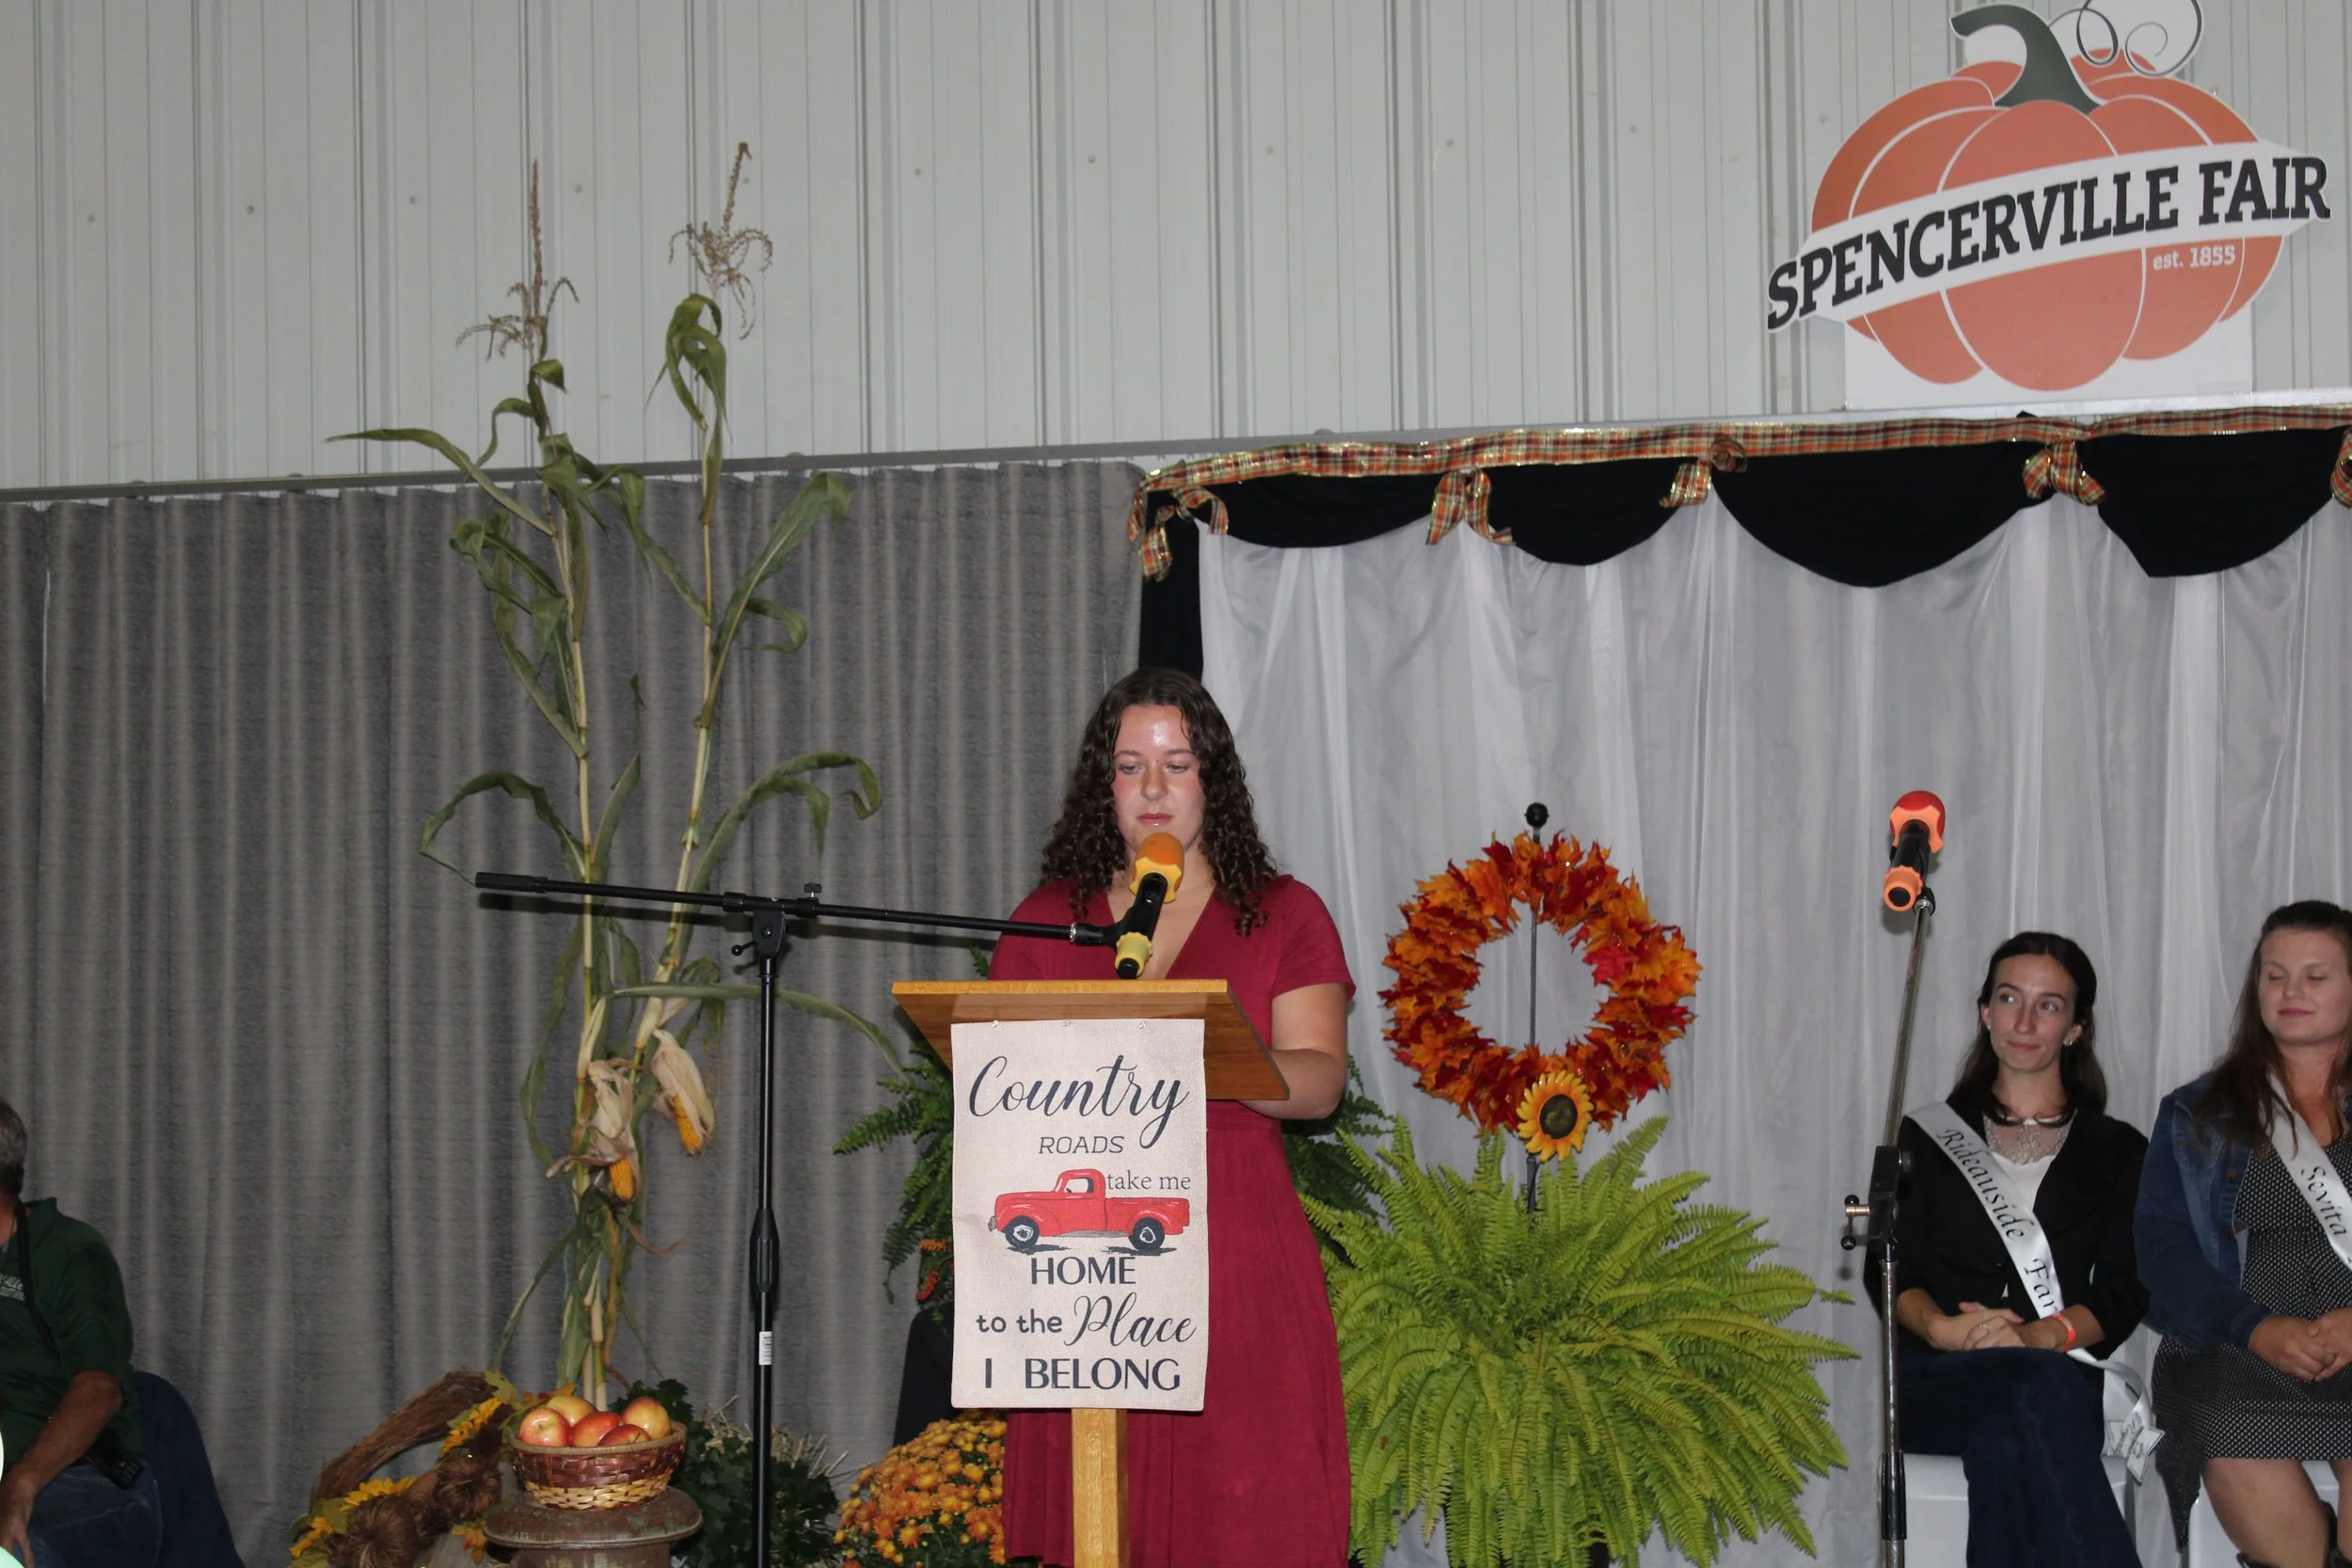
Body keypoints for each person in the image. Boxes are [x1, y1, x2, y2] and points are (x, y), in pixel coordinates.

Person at [988, 667, 1351, 1568]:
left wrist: (1218, 1051)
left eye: (1177, 763)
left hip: (1234, 1238)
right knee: (1098, 1522)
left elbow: (1319, 1083)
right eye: (1129, 765)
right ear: (1102, 784)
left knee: (1243, 1515)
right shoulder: (1050, 921)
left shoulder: (1283, 912)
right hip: (1083, 1264)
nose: (1153, 788)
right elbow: (1000, 1091)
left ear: (1211, 778)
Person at [1866, 931, 2147, 1568]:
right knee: (2033, 1394)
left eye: (2049, 1006)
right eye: (2009, 998)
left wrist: (2040, 1336)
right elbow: (1888, 1265)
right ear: (1985, 1012)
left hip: (2058, 1371)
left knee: (2006, 1444)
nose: (2024, 1022)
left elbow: (2125, 1290)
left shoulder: (2118, 1149)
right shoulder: (1926, 1135)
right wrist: (1943, 1329)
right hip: (1941, 1378)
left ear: (2076, 1028)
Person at [2138, 900, 2352, 1568]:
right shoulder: (2199, 1111)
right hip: (2237, 1344)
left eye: (2315, 976)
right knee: (2230, 1433)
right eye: (2274, 975)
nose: (2290, 992)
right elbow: (2162, 1250)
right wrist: (2254, 1326)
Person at [0, 1098, 158, 1568]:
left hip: (74, 1477)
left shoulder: (68, 1253)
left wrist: (20, 1485)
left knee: (16, 1552)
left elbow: (98, 1391)